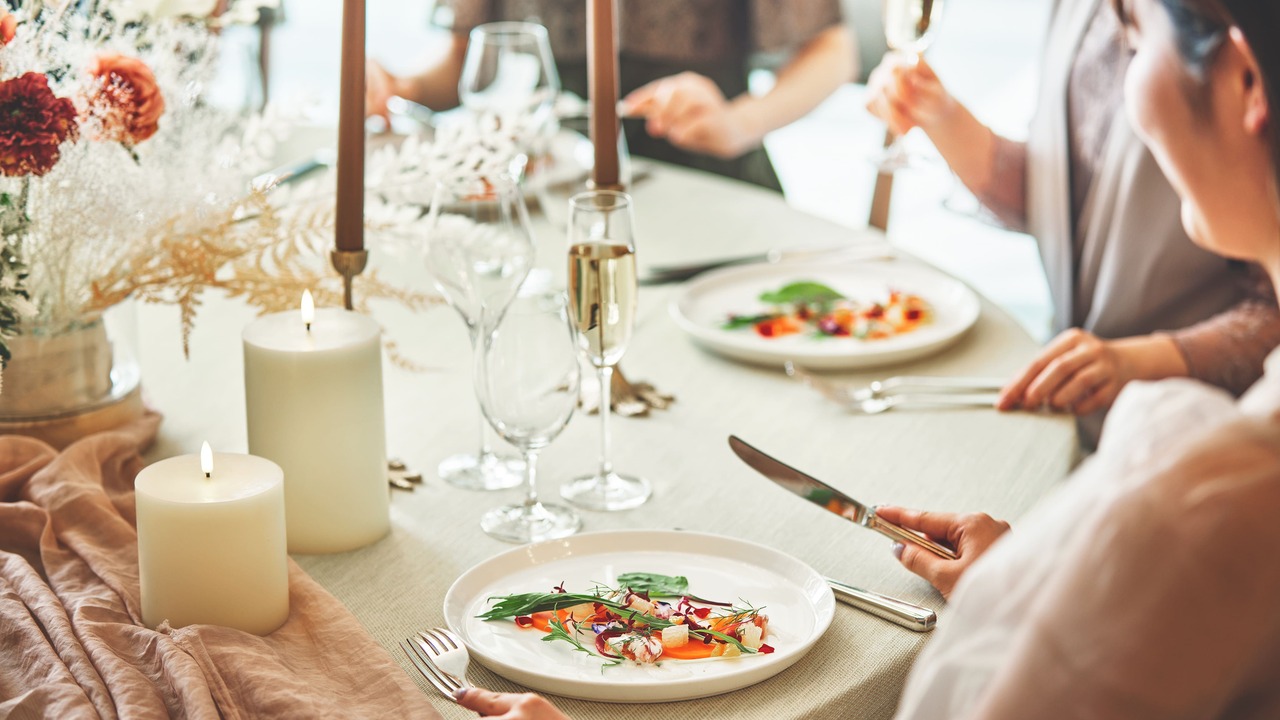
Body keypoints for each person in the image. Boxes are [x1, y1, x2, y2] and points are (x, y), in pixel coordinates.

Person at [443, 0, 1280, 715]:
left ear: (1244, 82)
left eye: (1137, 40)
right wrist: (1033, 570)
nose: (1124, 85)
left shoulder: (1198, 497)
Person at [865, 0, 1280, 447]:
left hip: (1196, 430)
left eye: (1140, 46)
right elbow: (1065, 197)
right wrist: (944, 118)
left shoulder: (1207, 23)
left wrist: (1142, 360)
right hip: (1071, 413)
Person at [366, 0, 856, 192]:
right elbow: (465, 64)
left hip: (707, 180)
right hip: (552, 197)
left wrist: (739, 123)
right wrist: (401, 89)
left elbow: (834, 51)